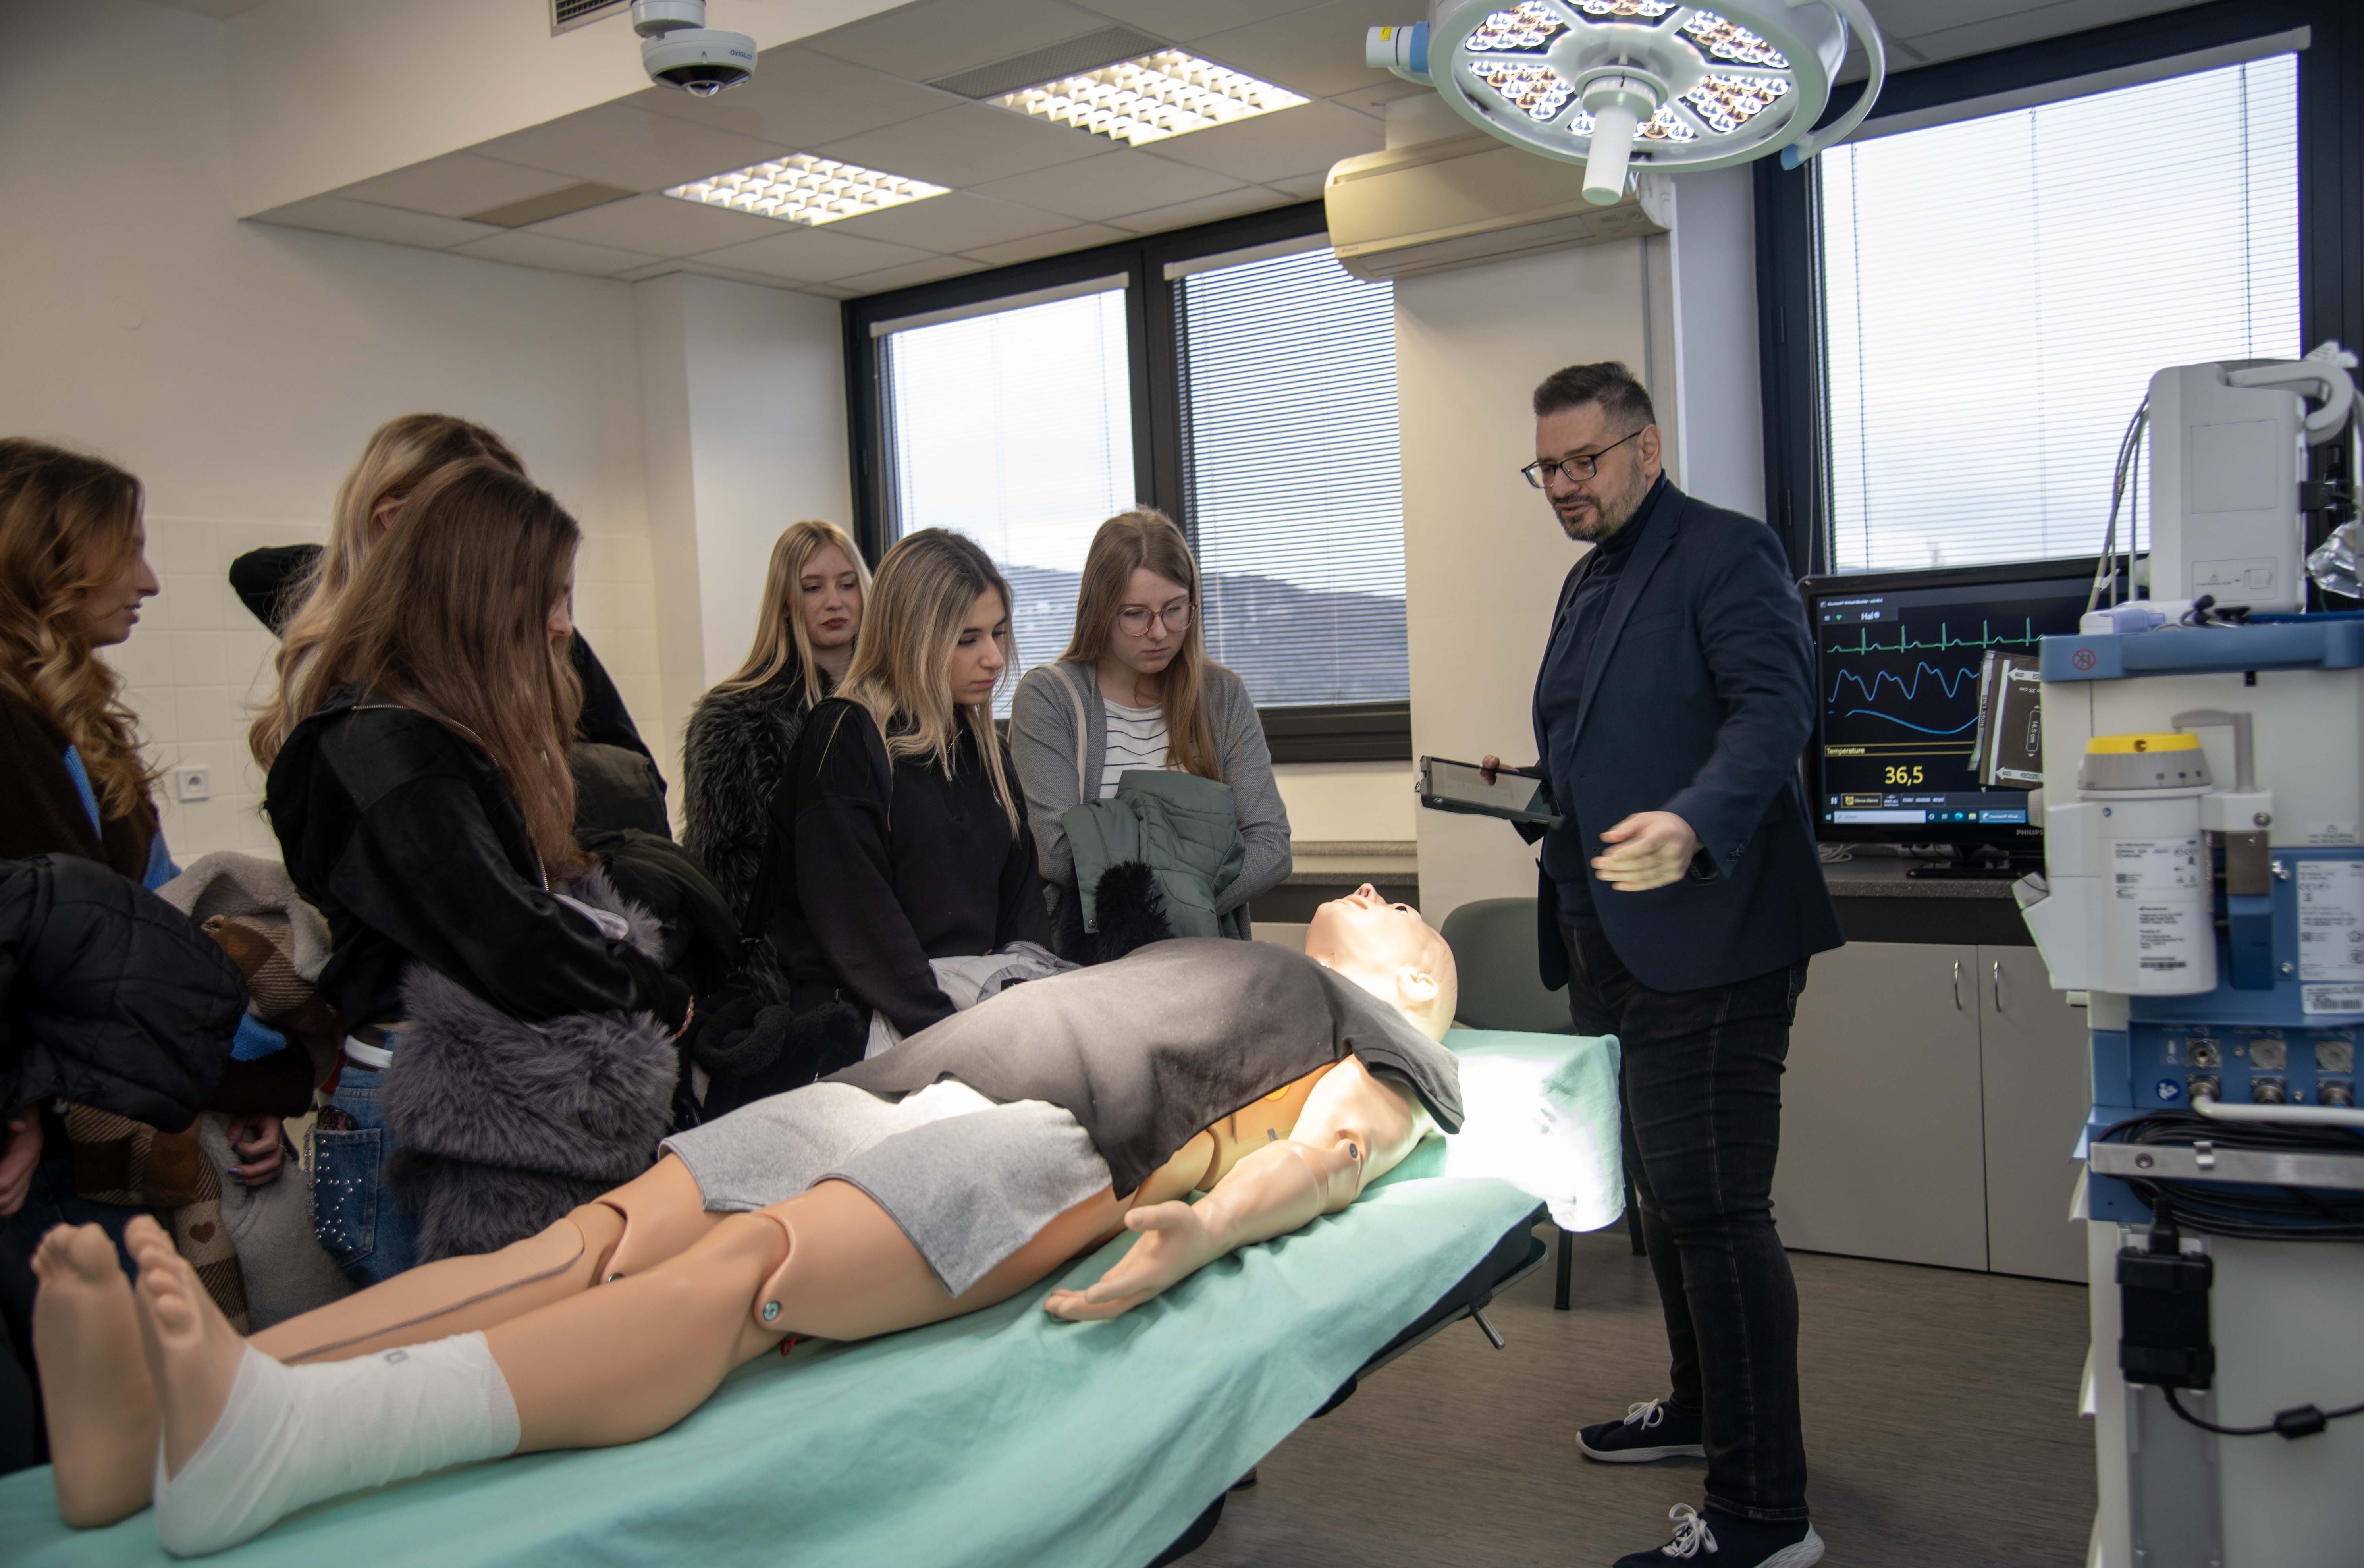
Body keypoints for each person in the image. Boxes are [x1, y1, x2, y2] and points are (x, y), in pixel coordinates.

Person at [29, 888, 1460, 1556]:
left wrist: (1203, 1233)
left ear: (1416, 985)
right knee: (585, 1239)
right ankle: (156, 1428)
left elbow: (1332, 1156)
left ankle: (296, 1439)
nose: (1380, 893)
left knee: (744, 1273)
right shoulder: (1240, 949)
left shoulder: (1379, 1039)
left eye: (1405, 913)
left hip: (1067, 1142)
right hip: (912, 1079)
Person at [1484, 362, 1841, 1568]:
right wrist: (1535, 790)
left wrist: (1692, 819)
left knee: (1721, 1210)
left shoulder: (1725, 553)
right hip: (1606, 939)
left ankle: (1762, 1513)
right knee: (1670, 1204)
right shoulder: (1589, 580)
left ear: (1645, 448)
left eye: (1582, 460)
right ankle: (1699, 1408)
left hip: (1713, 936)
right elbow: (1603, 741)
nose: (1562, 484)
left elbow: (1772, 712)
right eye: (1546, 467)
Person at [254, 461, 690, 1288]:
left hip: (440, 1091)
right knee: (437, 1356)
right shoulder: (385, 745)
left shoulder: (416, 731)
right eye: (550, 599)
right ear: (478, 596)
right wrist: (654, 991)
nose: (563, 627)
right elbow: (506, 933)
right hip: (412, 1106)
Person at [0, 440, 285, 1251]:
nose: (149, 581)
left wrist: (242, 1081)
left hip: (91, 1117)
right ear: (43, 559)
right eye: (127, 550)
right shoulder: (11, 732)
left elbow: (152, 924)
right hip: (41, 1143)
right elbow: (77, 961)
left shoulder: (70, 722)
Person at [697, 530, 1049, 1113]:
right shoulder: (844, 738)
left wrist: (1025, 1010)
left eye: (998, 633)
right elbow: (861, 931)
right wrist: (957, 1043)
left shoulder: (982, 744)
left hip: (972, 1024)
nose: (992, 657)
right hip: (874, 1040)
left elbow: (1022, 907)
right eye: (967, 639)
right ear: (913, 637)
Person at [236, 413, 659, 789]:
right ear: (395, 520)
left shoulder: (539, 635)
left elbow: (636, 775)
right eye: (485, 522)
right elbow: (252, 569)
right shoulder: (347, 670)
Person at [1010, 510, 1289, 947]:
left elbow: (1270, 845)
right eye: (1135, 614)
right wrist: (1182, 895)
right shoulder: (1049, 697)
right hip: (1091, 966)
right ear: (1098, 611)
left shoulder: (1222, 695)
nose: (1158, 632)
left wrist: (1169, 912)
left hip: (1210, 961)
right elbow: (1059, 852)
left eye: (1174, 610)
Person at [681, 519, 868, 998]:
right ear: (785, 603)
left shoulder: (897, 709)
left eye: (847, 584)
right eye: (813, 587)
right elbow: (728, 882)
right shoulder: (735, 719)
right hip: (791, 980)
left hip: (891, 959)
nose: (834, 601)